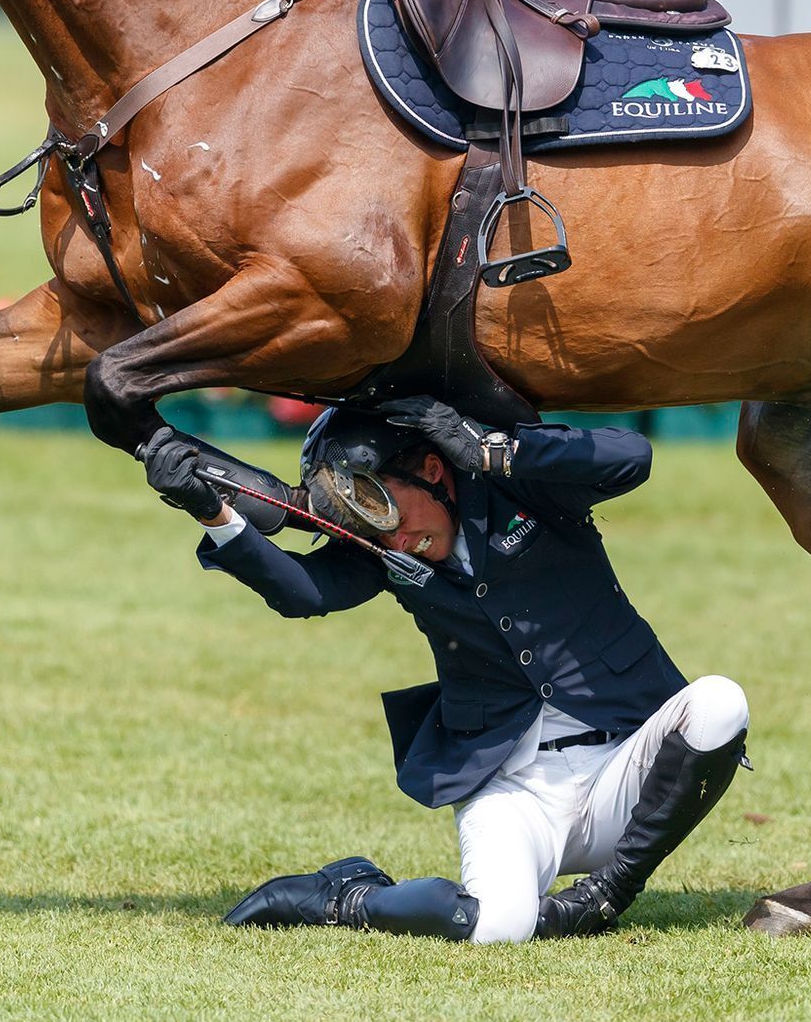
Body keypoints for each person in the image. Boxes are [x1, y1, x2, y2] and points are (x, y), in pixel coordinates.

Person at [140, 396, 750, 942]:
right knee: (496, 927)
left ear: (433, 469)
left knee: (720, 702)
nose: (389, 538)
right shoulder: (387, 550)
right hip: (513, 788)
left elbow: (631, 457)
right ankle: (347, 895)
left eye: (381, 506)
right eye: (362, 520)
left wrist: (491, 451)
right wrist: (213, 513)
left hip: (626, 771)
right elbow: (302, 592)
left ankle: (607, 894)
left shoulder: (523, 486)